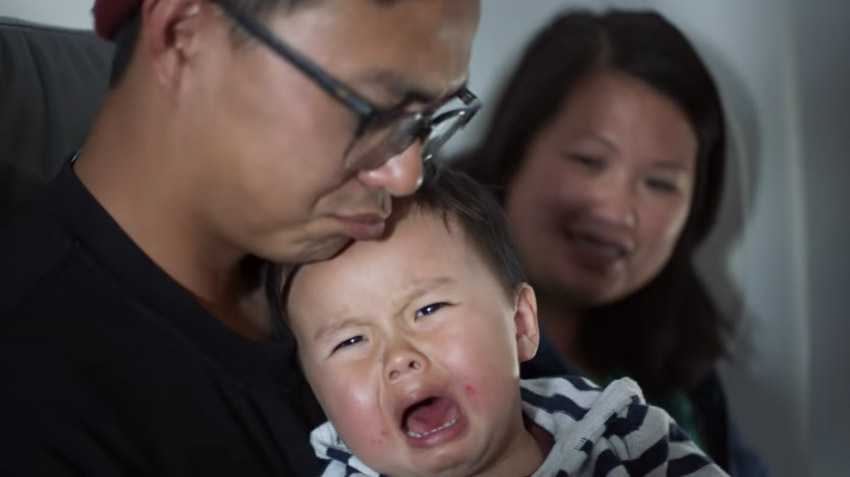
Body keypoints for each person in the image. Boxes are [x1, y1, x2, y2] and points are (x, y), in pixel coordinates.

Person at [0, 0, 481, 474]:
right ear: (182, 37)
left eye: (423, 122)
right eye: (374, 113)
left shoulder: (410, 244)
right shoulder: (34, 407)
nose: (406, 176)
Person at [456, 9, 766, 476]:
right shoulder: (439, 355)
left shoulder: (679, 364)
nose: (618, 210)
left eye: (660, 183)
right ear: (514, 150)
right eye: (589, 160)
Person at [281, 163, 727, 476]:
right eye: (351, 341)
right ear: (316, 390)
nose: (398, 357)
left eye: (428, 310)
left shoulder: (628, 439)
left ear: (520, 325)